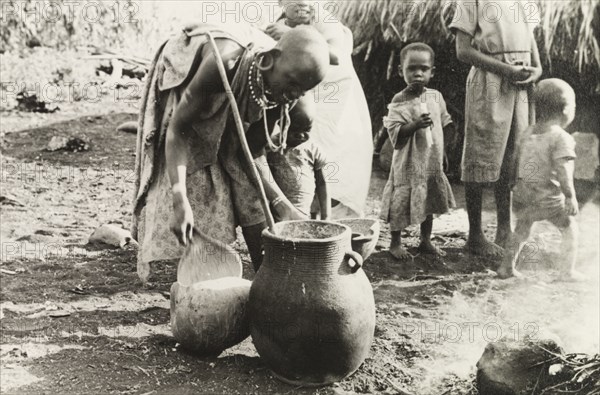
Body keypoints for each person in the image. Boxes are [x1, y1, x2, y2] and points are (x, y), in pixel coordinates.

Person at [131, 23, 331, 280]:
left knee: (245, 179)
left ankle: (268, 276)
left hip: (243, 83)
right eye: (292, 86)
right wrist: (179, 199)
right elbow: (178, 130)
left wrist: (282, 204)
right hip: (190, 83)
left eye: (302, 91)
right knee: (196, 176)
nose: (293, 96)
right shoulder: (221, 62)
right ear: (268, 61)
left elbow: (250, 154)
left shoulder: (278, 91)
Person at [450, 0, 543, 257]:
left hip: (521, 84)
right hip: (489, 82)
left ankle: (504, 227)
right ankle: (475, 235)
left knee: (512, 155)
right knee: (481, 151)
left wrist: (537, 68)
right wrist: (505, 69)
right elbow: (463, 51)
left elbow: (531, 37)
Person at [264, 0, 373, 218]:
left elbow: (337, 56)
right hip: (299, 96)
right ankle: (297, 213)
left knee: (328, 158)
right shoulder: (277, 22)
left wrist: (291, 36)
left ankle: (327, 220)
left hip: (332, 101)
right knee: (295, 160)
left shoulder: (324, 21)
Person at [498, 79, 583, 280]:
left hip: (523, 194)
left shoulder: (527, 132)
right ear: (566, 111)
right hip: (548, 198)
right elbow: (563, 169)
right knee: (570, 227)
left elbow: (515, 159)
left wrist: (512, 182)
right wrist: (570, 196)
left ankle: (506, 267)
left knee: (521, 229)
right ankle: (567, 271)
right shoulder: (561, 138)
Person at [379, 43, 456, 259]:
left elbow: (446, 123)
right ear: (400, 71)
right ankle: (395, 242)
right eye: (411, 69)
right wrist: (413, 125)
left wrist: (445, 151)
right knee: (401, 200)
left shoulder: (435, 97)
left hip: (431, 160)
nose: (418, 73)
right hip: (408, 162)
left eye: (423, 68)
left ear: (432, 71)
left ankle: (425, 240)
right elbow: (395, 134)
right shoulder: (399, 100)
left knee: (429, 198)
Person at [267, 100, 331, 220]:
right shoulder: (270, 146)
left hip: (303, 212)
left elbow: (322, 183)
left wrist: (326, 216)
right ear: (281, 123)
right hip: (275, 213)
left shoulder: (313, 149)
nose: (301, 135)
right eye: (295, 129)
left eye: (307, 129)